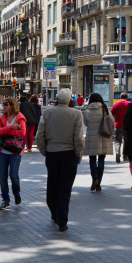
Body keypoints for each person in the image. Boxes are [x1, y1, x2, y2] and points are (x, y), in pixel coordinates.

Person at [36, 89, 83, 231]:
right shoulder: (76, 114)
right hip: (69, 154)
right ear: (70, 100)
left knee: (52, 184)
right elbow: (78, 138)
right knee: (65, 187)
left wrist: (45, 150)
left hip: (52, 153)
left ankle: (54, 213)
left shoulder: (47, 113)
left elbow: (40, 136)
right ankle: (62, 219)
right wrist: (78, 153)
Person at [0, 97, 26, 210]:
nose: (3, 106)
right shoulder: (1, 118)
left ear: (12, 106)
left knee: (13, 175)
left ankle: (16, 194)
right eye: (3, 104)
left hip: (15, 151)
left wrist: (6, 130)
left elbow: (22, 133)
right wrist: (11, 128)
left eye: (5, 104)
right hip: (3, 151)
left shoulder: (20, 117)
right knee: (3, 177)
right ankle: (5, 200)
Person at [82, 93, 112, 193]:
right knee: (101, 159)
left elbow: (86, 123)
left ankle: (94, 178)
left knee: (92, 159)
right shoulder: (104, 109)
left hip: (92, 136)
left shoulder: (87, 110)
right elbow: (112, 120)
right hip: (103, 136)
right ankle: (98, 183)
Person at [110, 92, 129, 163]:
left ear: (120, 97)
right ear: (126, 97)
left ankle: (117, 152)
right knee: (127, 141)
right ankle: (125, 156)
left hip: (118, 125)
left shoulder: (116, 103)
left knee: (117, 141)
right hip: (127, 126)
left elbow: (111, 113)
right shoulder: (129, 104)